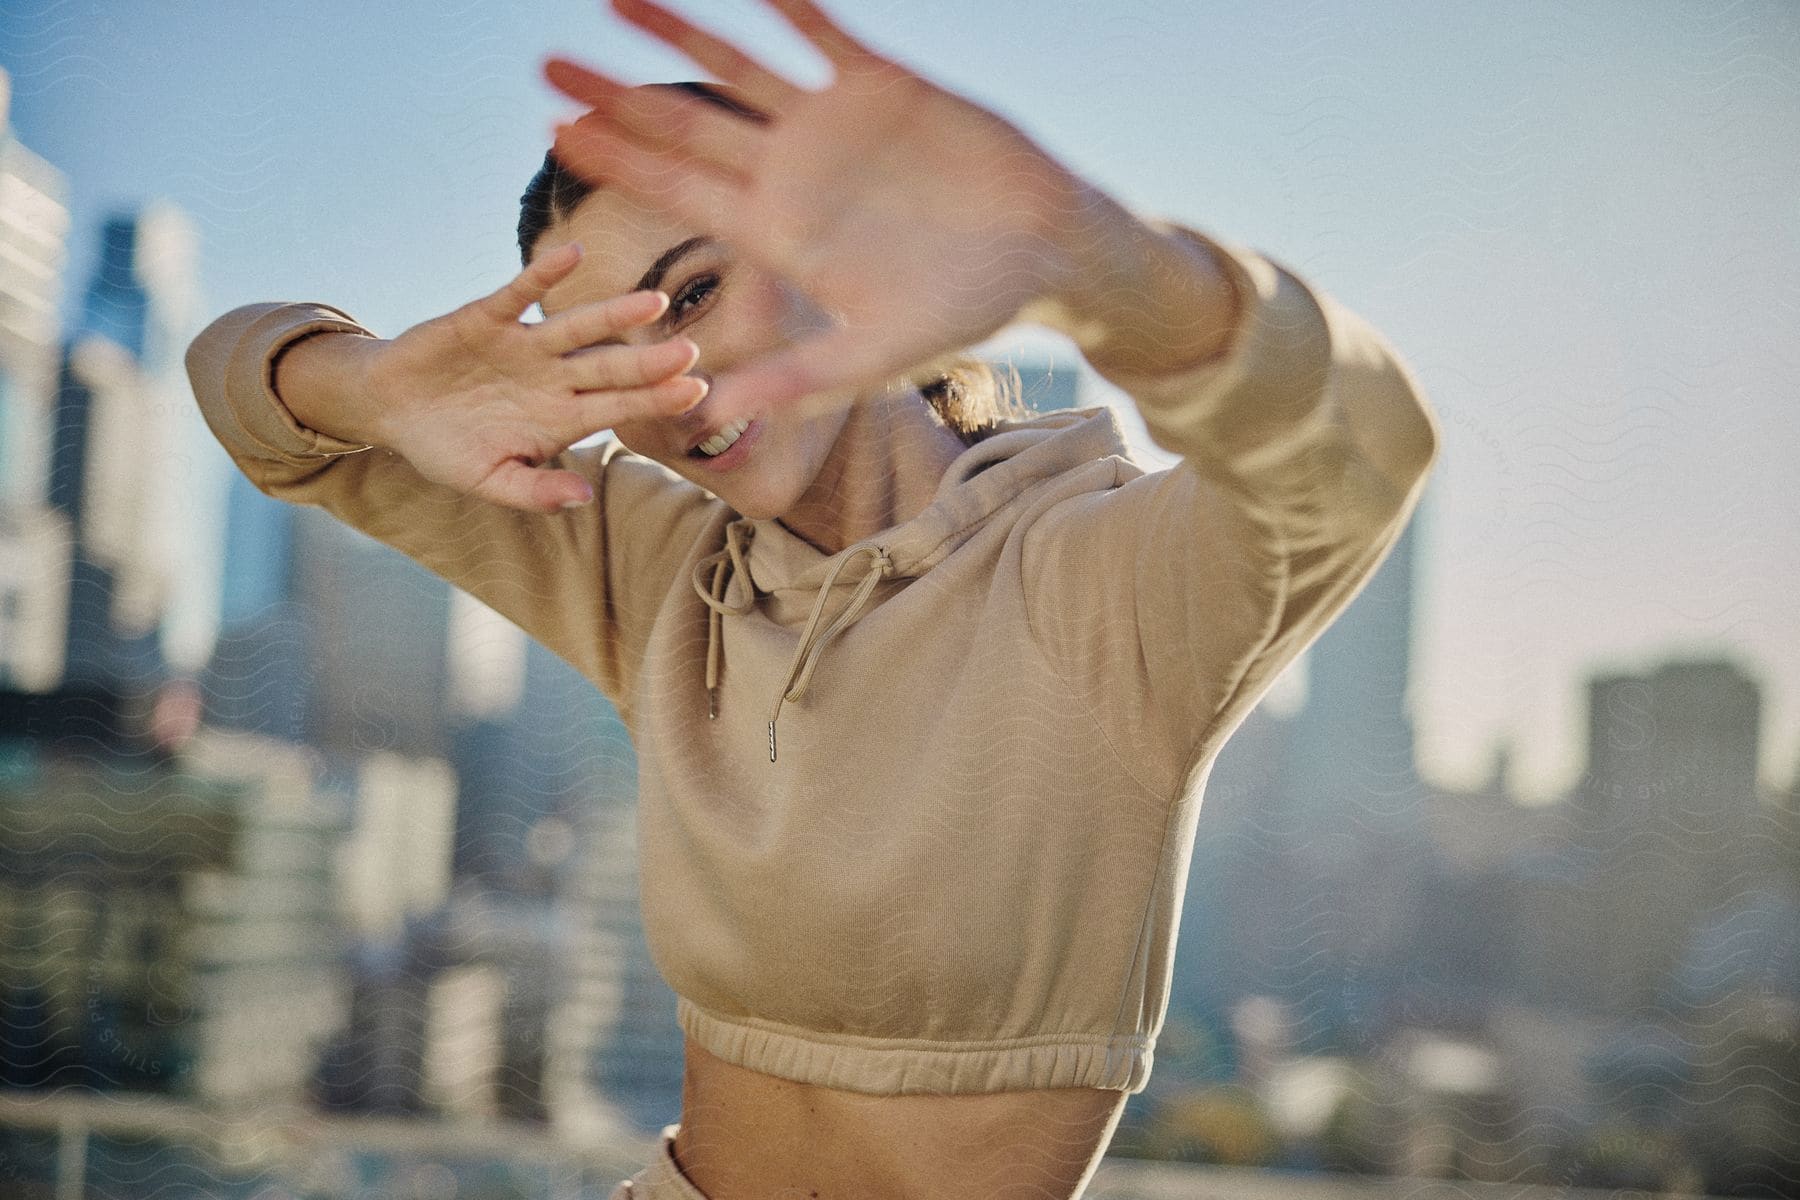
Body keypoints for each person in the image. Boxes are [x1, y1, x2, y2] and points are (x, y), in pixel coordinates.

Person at [184, 0, 1441, 1195]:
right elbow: (247, 393)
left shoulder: (1095, 580)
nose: (669, 383)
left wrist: (1104, 265)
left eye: (694, 293)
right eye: (609, 351)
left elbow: (1360, 453)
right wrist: (385, 385)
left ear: (840, 257)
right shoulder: (650, 566)